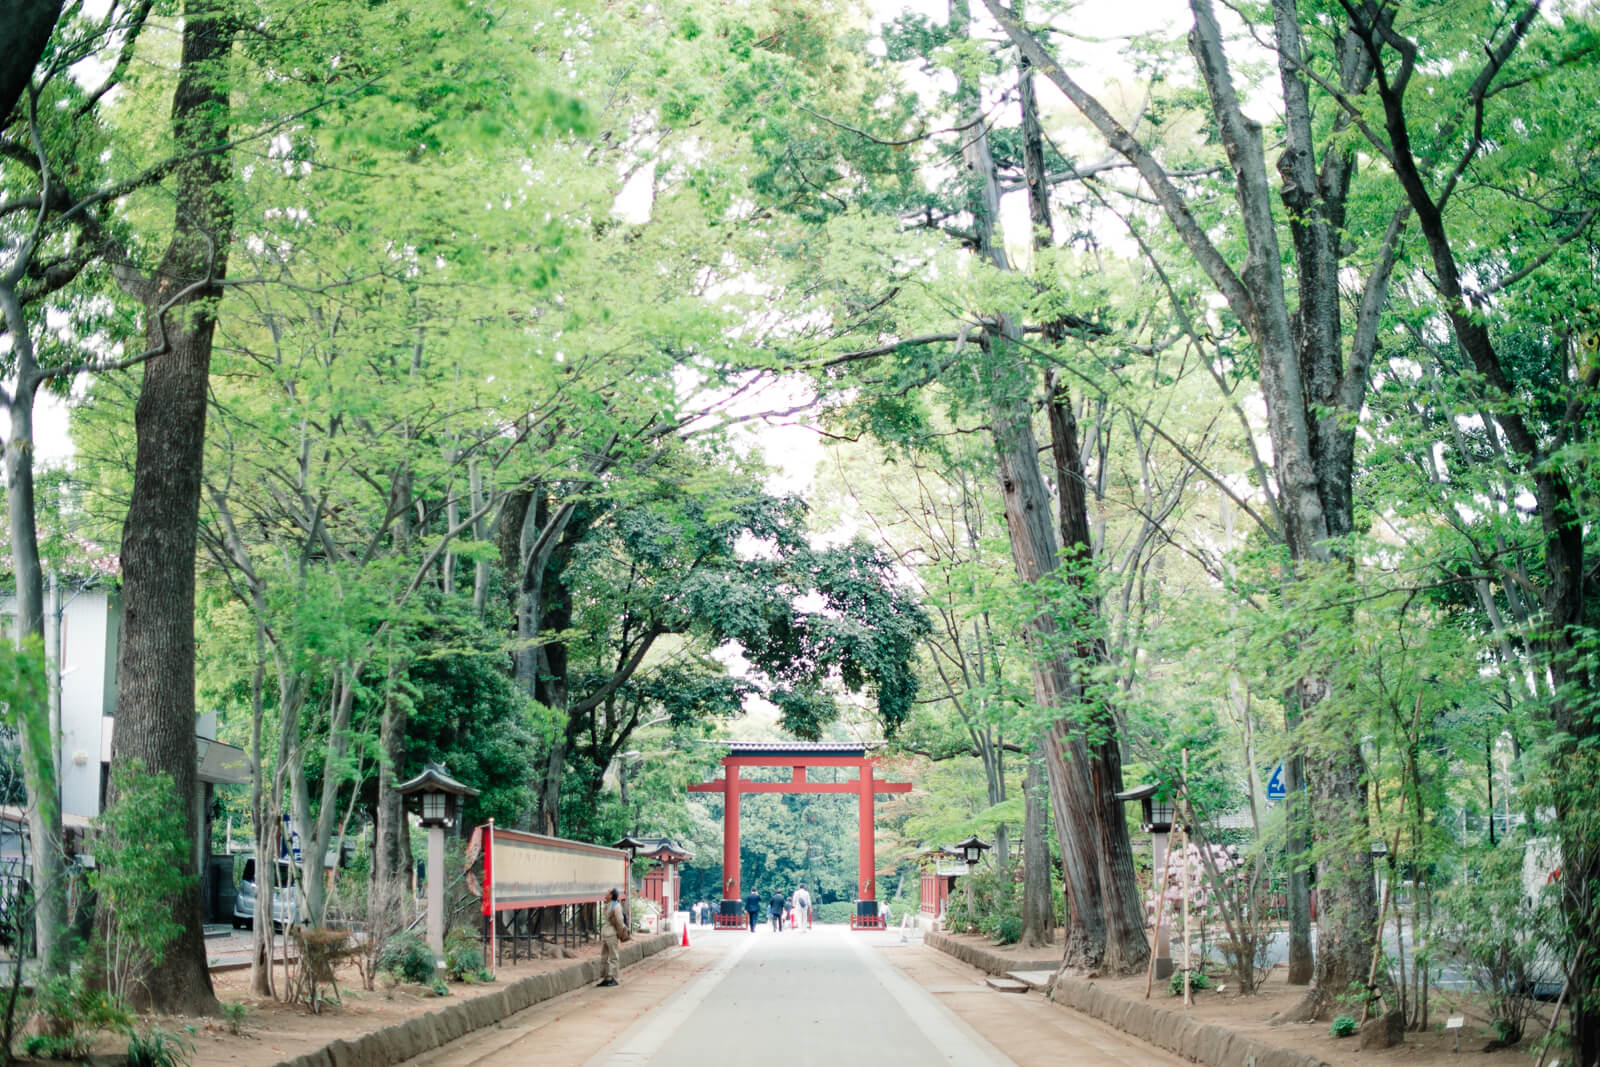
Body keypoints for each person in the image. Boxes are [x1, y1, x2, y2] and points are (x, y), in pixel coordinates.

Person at [599, 887, 631, 987]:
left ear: (611, 895)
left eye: (607, 893)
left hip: (612, 933)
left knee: (613, 957)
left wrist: (620, 933)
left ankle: (614, 978)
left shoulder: (616, 906)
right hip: (605, 933)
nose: (605, 895)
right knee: (604, 956)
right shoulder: (608, 905)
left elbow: (620, 921)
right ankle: (606, 977)